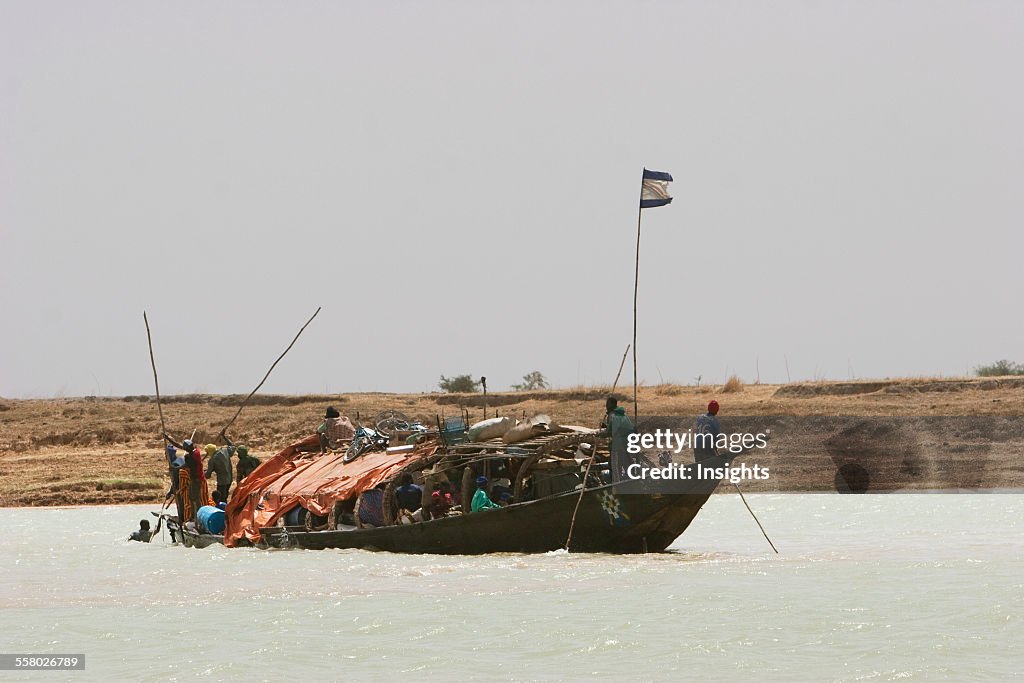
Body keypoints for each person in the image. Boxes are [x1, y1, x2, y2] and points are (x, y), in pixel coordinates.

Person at [599, 405, 635, 482]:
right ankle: (631, 480)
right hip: (627, 445)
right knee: (626, 463)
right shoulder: (626, 418)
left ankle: (616, 484)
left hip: (617, 446)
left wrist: (599, 433)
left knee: (615, 466)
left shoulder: (614, 418)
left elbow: (608, 432)